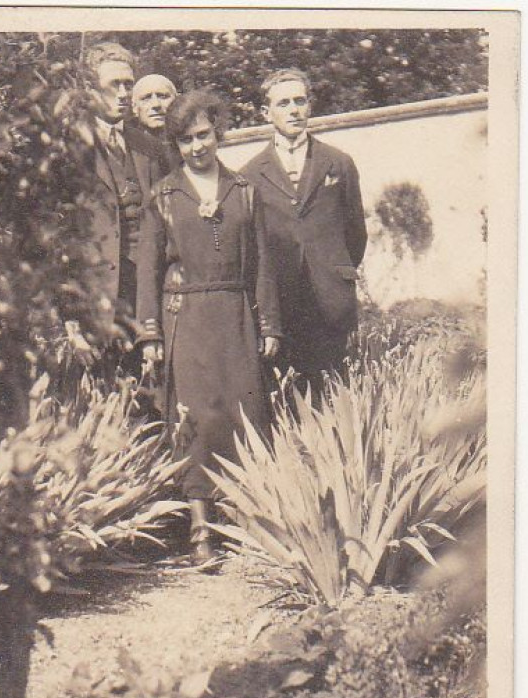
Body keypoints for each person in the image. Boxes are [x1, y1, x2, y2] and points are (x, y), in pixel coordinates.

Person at [137, 90, 281, 565]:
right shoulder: (162, 196)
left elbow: (261, 264)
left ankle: (246, 519)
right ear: (174, 145)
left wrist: (269, 324)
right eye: (185, 140)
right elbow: (147, 271)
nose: (197, 146)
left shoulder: (244, 190)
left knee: (243, 413)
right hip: (188, 317)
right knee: (195, 419)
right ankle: (201, 530)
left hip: (236, 313)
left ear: (218, 132)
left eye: (204, 135)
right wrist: (150, 334)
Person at [243, 68, 367, 403]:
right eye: (284, 103)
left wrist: (333, 269)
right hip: (284, 300)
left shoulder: (338, 163)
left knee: (336, 392)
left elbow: (356, 233)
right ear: (266, 113)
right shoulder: (250, 175)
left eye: (300, 100)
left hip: (329, 297)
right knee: (289, 395)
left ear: (310, 106)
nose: (294, 109)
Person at [82, 42, 163, 334]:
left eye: (128, 84)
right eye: (113, 84)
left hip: (148, 292)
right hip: (98, 294)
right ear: (89, 89)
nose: (123, 94)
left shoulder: (150, 148)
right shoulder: (69, 146)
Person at [131, 73, 180, 174]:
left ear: (177, 101)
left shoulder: (193, 145)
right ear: (134, 107)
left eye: (163, 96)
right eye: (146, 98)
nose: (156, 105)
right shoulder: (128, 152)